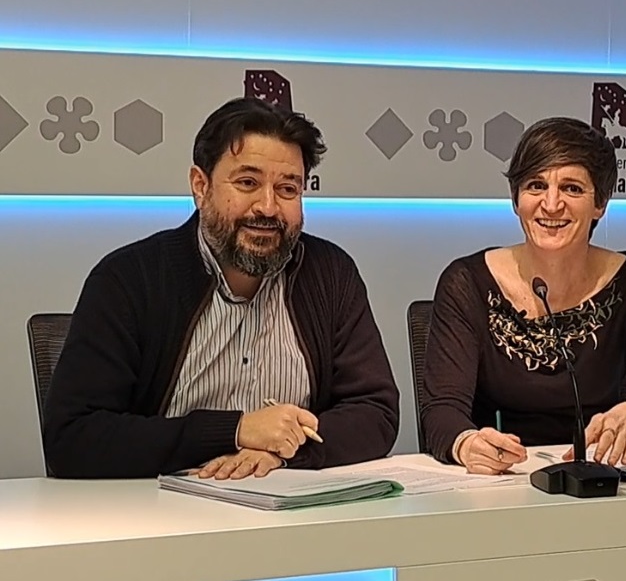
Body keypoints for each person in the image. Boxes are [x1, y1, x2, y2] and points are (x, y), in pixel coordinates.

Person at [43, 97, 400, 479]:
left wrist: (283, 453)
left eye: (287, 189)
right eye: (247, 183)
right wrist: (235, 430)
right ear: (201, 186)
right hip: (160, 504)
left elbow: (376, 412)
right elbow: (72, 438)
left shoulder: (330, 273)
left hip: (287, 499)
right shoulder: (130, 280)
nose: (268, 207)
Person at [421, 117, 626, 475]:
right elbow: (441, 409)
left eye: (572, 188)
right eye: (536, 186)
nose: (551, 205)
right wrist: (466, 443)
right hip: (498, 483)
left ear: (600, 203)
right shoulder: (467, 282)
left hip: (598, 477)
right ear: (516, 199)